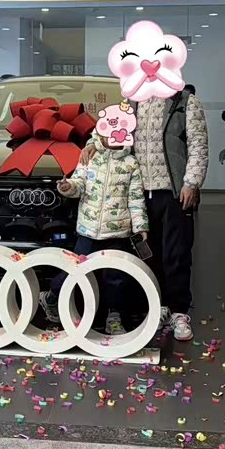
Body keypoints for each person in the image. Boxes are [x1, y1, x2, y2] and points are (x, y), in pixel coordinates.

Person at [80, 88, 208, 341]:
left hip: (173, 192)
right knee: (147, 254)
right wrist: (91, 144)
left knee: (176, 253)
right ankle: (157, 306)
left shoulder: (185, 102)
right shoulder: (131, 102)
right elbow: (108, 127)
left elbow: (198, 145)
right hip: (136, 193)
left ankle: (179, 311)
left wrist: (191, 182)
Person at [39, 127, 148, 336]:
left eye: (119, 133)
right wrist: (67, 187)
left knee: (116, 277)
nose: (113, 137)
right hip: (88, 230)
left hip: (117, 233)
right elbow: (78, 183)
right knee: (73, 268)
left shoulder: (131, 163)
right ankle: (51, 296)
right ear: (100, 133)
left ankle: (114, 318)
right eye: (108, 132)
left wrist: (140, 226)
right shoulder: (89, 156)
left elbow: (135, 199)